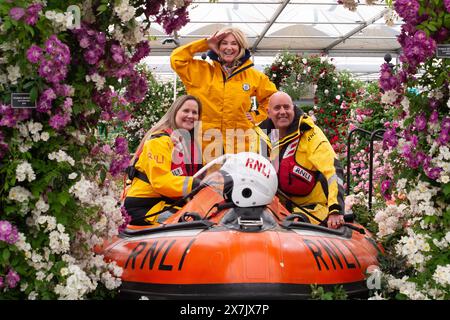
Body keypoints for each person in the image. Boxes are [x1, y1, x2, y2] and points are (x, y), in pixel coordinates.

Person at [170, 27, 277, 158]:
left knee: (238, 178)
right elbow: (176, 58)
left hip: (240, 146)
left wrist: (257, 115)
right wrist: (204, 44)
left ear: (241, 47)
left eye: (234, 43)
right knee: (205, 179)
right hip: (204, 146)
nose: (229, 47)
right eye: (224, 43)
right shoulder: (200, 71)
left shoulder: (254, 76)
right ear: (217, 46)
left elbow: (272, 98)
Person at [257, 91, 346, 229]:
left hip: (313, 209)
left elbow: (333, 170)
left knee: (295, 223)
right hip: (276, 209)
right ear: (268, 112)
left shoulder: (310, 133)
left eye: (287, 107)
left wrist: (336, 209)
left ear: (293, 108)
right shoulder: (262, 136)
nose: (282, 112)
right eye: (277, 108)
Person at [124, 95, 203, 225]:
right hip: (145, 207)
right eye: (186, 111)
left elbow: (202, 173)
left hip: (168, 203)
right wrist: (195, 184)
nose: (191, 115)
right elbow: (161, 182)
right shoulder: (159, 141)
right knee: (190, 224)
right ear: (175, 112)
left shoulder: (189, 144)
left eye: (195, 112)